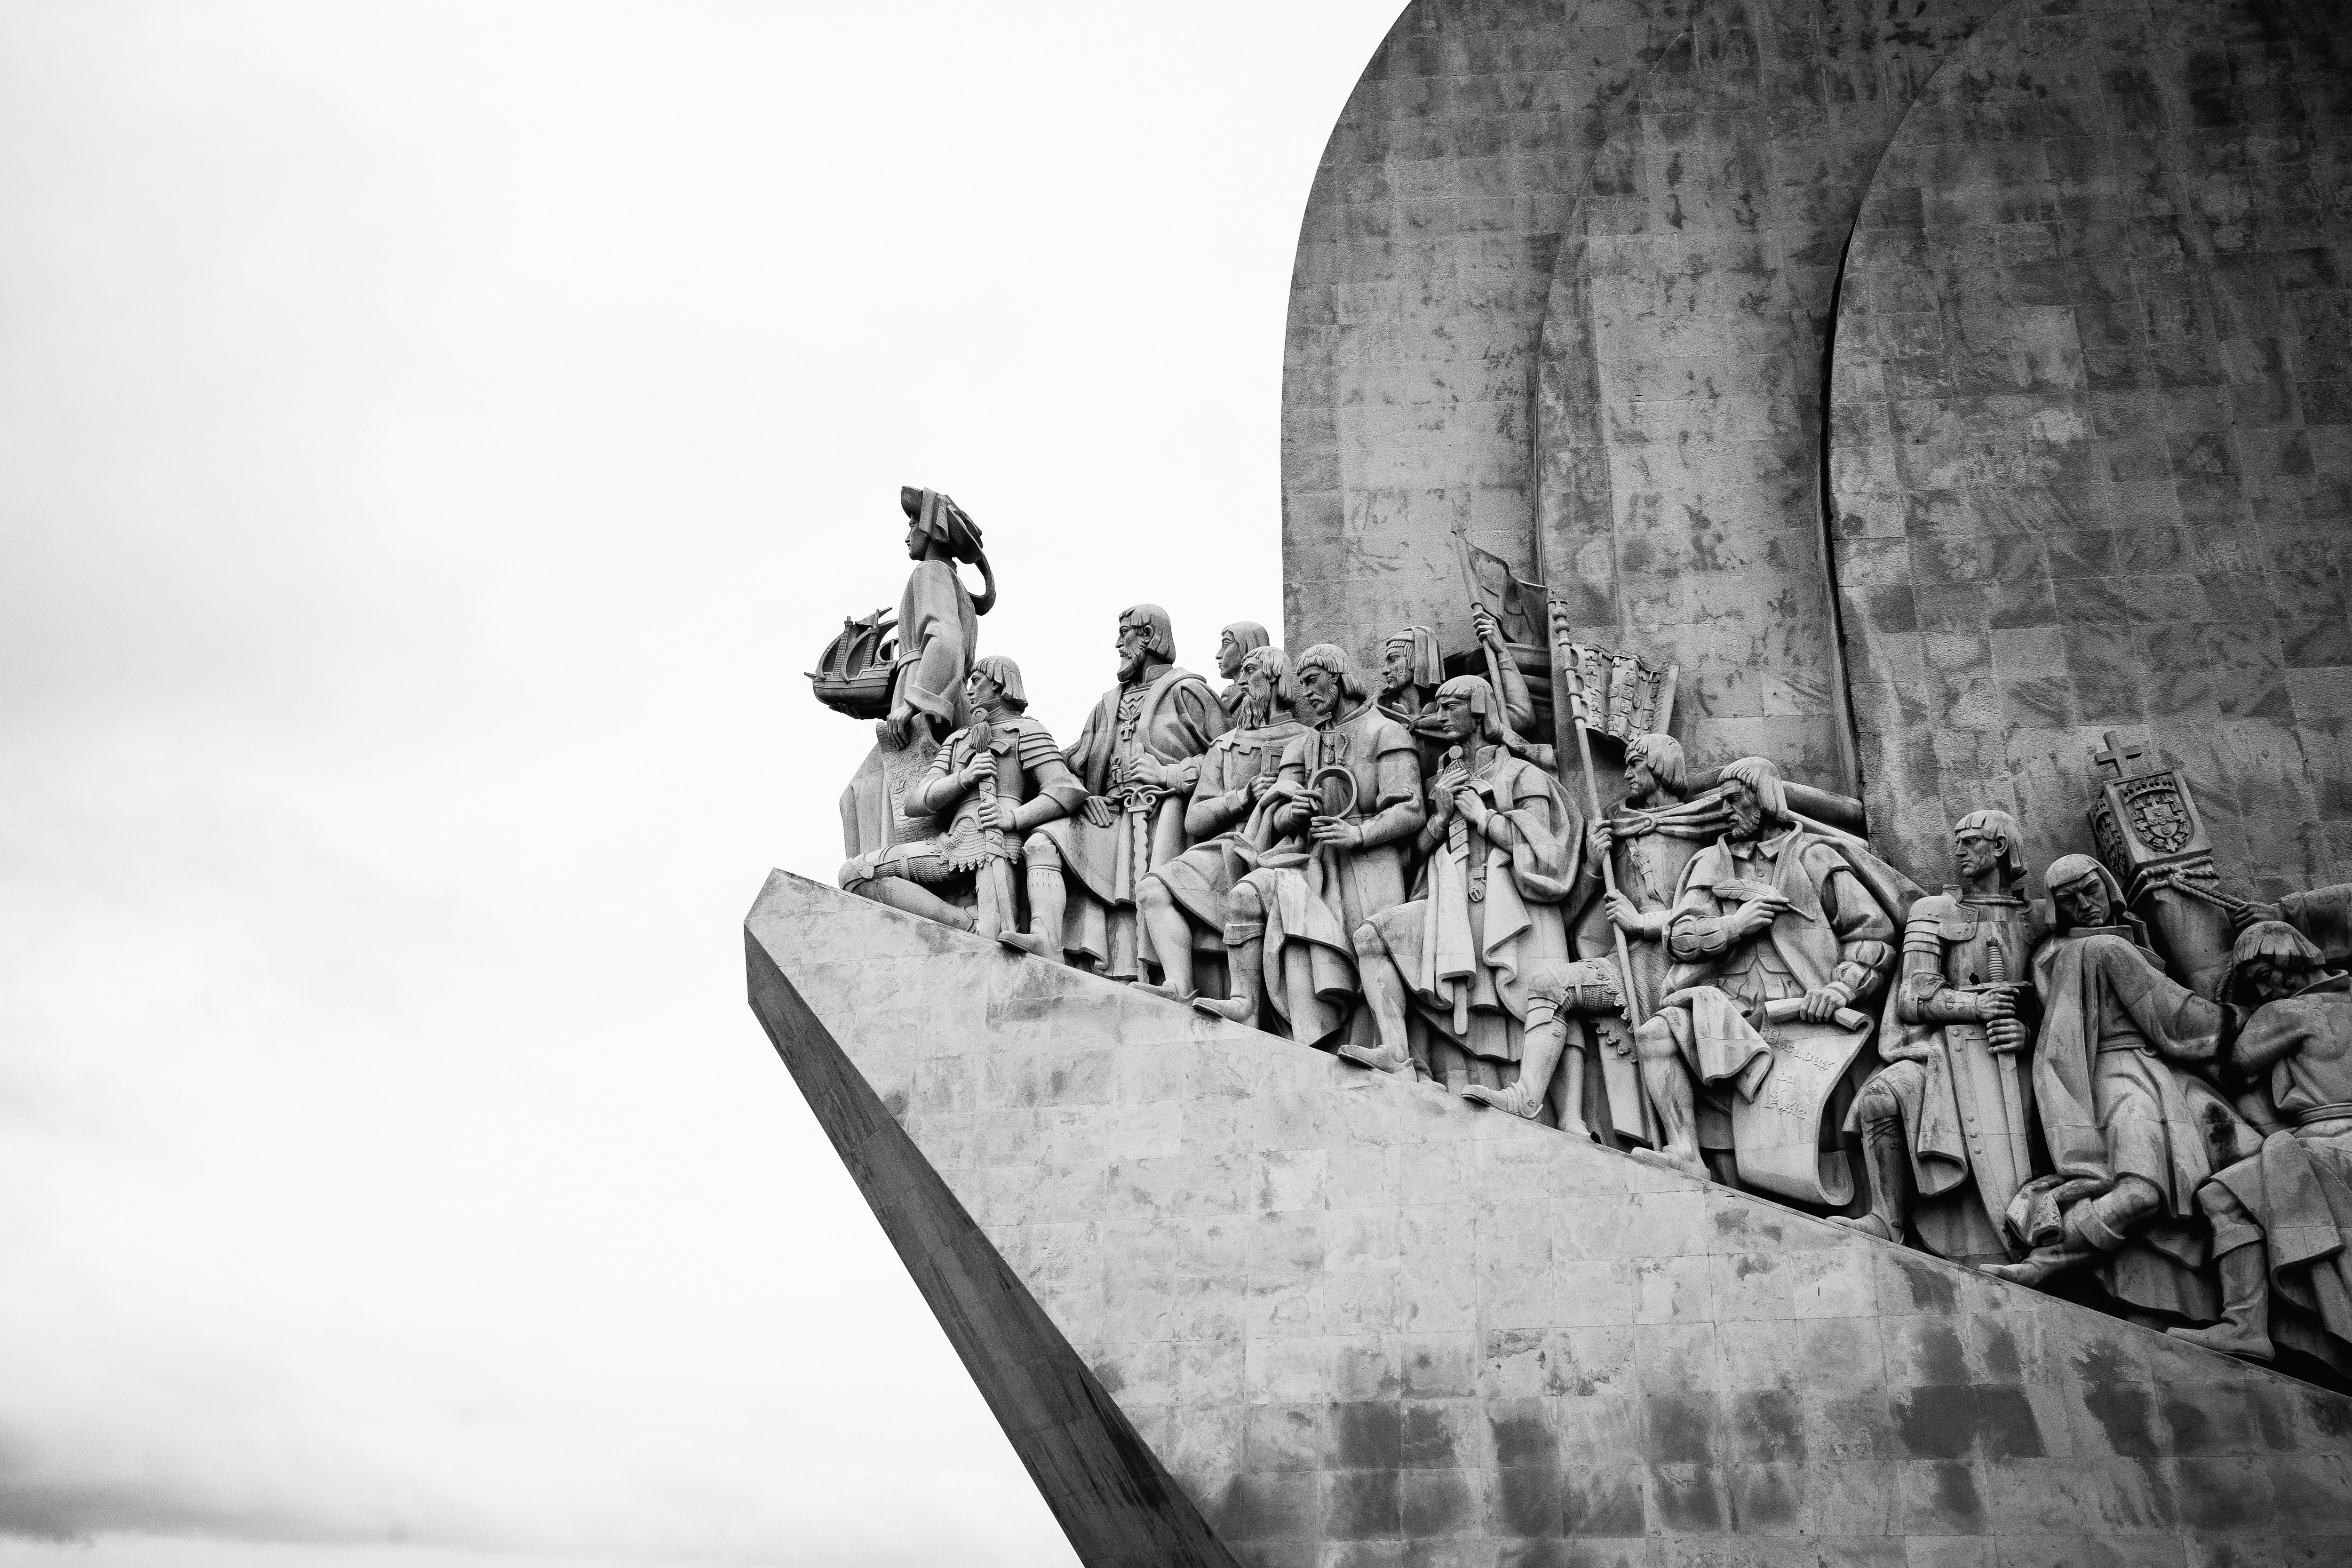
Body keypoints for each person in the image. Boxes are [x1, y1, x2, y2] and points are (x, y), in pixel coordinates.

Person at [1984, 855, 2257, 1327]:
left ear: (2107, 886)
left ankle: (2244, 1323)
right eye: (2068, 901)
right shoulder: (2098, 949)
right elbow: (2171, 1014)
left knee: (2248, 1178)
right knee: (2139, 1193)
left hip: (2168, 1078)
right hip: (2122, 1074)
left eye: (2090, 891)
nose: (2084, 906)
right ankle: (2040, 1264)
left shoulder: (2109, 942)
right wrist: (2238, 1019)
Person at [1630, 757, 1898, 1184]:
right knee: (1655, 1032)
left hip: (1801, 1011)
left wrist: (1840, 989)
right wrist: (1734, 925)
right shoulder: (1709, 862)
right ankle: (1684, 1151)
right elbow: (1680, 938)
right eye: (1722, 802)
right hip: (1727, 1011)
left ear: (1765, 798)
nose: (1726, 811)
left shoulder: (1814, 856)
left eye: (1735, 799)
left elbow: (1872, 934)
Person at [1835, 810, 2044, 1267]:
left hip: (2018, 1058)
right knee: (1878, 1098)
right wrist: (1975, 1006)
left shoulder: (2038, 920)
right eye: (1956, 842)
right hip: (1938, 1053)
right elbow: (1913, 997)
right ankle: (1885, 1218)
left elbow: (2059, 1006)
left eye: (1969, 842)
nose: (1958, 851)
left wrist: (2027, 1030)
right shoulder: (1933, 912)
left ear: (2000, 848)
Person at [1350, 675, 1583, 1082]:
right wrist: (1438, 817)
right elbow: (1414, 856)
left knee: (1544, 1001)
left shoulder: (1522, 775)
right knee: (1371, 937)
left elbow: (1546, 854)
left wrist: (1485, 817)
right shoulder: (1440, 779)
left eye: (1449, 706)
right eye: (1438, 707)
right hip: (1450, 905)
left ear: (1478, 708)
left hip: (1512, 907)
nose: (1439, 717)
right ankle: (1398, 1053)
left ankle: (1563, 1111)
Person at [1195, 643, 1422, 1044]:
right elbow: (1280, 816)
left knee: (1369, 950)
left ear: (1337, 676)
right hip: (1313, 860)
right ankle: (1245, 1002)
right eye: (1300, 684)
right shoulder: (1303, 744)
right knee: (1248, 894)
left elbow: (1411, 809)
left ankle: (1394, 1049)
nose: (1307, 693)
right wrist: (1294, 810)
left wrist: (1359, 833)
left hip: (1370, 863)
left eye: (1313, 681)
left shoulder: (1386, 731)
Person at [1004, 606, 1229, 977]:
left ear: (1149, 635)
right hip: (1108, 814)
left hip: (1164, 817)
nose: (1118, 643)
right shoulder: (1107, 704)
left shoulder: (1188, 692)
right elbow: (1073, 760)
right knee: (1042, 840)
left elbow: (1229, 756)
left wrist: (1169, 773)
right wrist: (1021, 744)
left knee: (1150, 897)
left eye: (1125, 633)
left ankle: (1168, 978)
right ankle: (1046, 940)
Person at [2168, 923, 2352, 1368]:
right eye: (2260, 981)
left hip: (2324, 1141)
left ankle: (2245, 1326)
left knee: (2219, 1197)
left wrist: (2235, 1006)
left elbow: (2236, 1067)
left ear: (2297, 958)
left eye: (2272, 972)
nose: (2272, 986)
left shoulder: (2286, 1014)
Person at [838, 657, 1080, 938]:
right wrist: (963, 778)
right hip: (952, 844)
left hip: (997, 842)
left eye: (977, 681)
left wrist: (1013, 818)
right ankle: (965, 924)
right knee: (856, 873)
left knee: (996, 939)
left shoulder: (1025, 731)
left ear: (1000, 686)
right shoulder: (957, 741)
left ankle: (983, 926)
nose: (969, 691)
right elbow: (917, 802)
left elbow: (1065, 790)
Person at [1134, 645, 1307, 1003]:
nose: (1240, 681)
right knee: (1152, 889)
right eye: (1241, 672)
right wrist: (1242, 797)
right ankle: (1179, 986)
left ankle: (1246, 1001)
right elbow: (1195, 818)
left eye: (1251, 671)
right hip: (1227, 846)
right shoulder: (1225, 745)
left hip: (1282, 850)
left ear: (1274, 678)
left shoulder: (1307, 738)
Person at [1211, 622, 1271, 721]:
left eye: (1226, 645)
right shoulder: (1228, 694)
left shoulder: (1262, 693)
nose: (1219, 655)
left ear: (1248, 646)